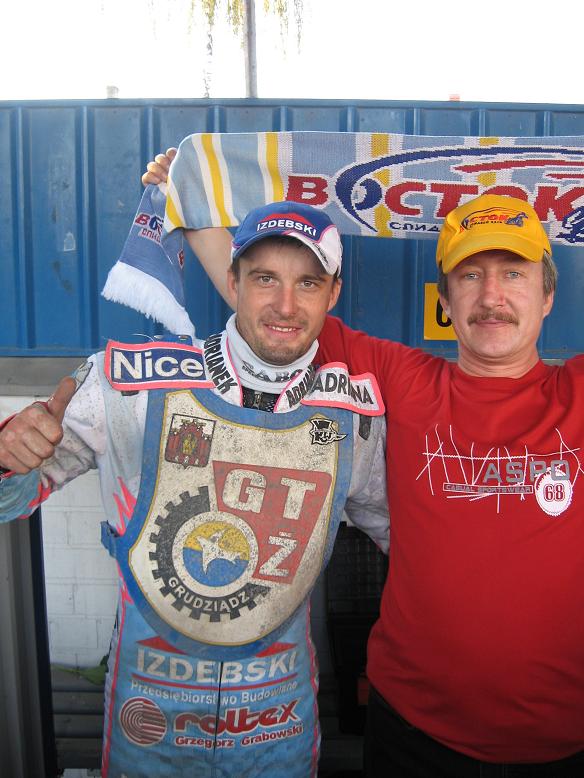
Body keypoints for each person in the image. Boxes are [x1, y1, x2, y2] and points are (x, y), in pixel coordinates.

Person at [145, 149, 584, 777]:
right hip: (411, 729)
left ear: (547, 296)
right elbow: (273, 311)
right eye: (469, 276)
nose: (491, 296)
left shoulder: (578, 393)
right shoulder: (405, 381)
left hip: (565, 737)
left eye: (513, 273)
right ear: (445, 298)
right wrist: (190, 193)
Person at [0, 199, 389, 778]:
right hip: (147, 725)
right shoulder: (130, 385)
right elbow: (10, 499)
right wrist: (8, 456)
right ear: (232, 282)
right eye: (265, 278)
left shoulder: (352, 415)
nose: (286, 305)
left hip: (278, 731)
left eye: (307, 282)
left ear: (332, 294)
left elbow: (404, 539)